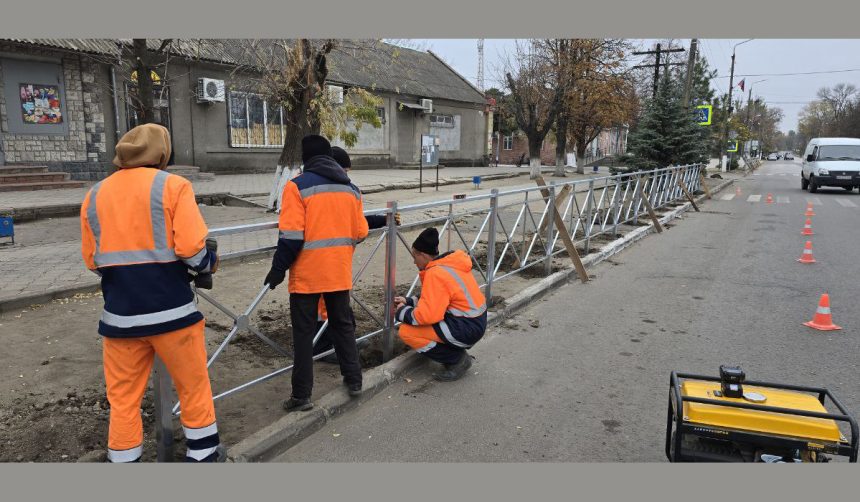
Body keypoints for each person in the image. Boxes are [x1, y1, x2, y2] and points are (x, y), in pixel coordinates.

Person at [80, 123, 223, 462]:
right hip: (174, 314)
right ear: (163, 152)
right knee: (193, 387)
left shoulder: (96, 193)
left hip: (120, 318)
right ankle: (203, 456)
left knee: (124, 399)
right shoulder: (173, 186)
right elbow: (193, 250)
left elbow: (92, 260)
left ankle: (125, 461)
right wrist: (210, 263)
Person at [264, 135, 369, 412]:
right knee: (343, 326)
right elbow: (360, 232)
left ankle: (301, 395)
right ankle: (354, 380)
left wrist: (277, 270)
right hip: (339, 272)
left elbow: (291, 237)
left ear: (306, 159)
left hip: (307, 277)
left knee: (303, 335)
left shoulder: (296, 187)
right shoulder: (352, 190)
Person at [312, 146, 399, 364]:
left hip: (337, 260)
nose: (346, 176)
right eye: (346, 170)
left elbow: (356, 220)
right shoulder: (325, 191)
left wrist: (382, 219)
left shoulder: (336, 190)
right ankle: (322, 349)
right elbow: (356, 227)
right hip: (321, 261)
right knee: (324, 308)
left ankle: (343, 341)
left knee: (338, 306)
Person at [394, 228, 487, 381]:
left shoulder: (435, 273)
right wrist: (409, 301)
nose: (413, 261)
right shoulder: (449, 264)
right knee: (420, 324)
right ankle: (455, 353)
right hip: (474, 321)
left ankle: (457, 360)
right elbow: (435, 298)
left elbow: (427, 315)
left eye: (414, 257)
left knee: (406, 331)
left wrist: (401, 312)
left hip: (466, 327)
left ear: (422, 255)